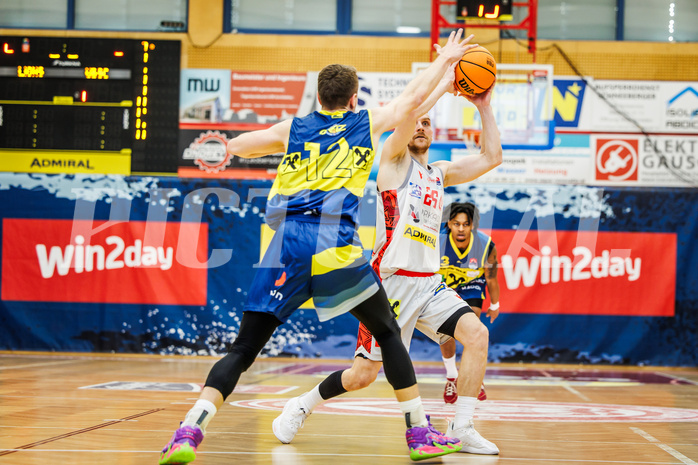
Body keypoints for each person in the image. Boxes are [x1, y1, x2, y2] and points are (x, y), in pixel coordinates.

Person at [158, 29, 476, 465]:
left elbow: (244, 146)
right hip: (336, 247)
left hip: (285, 247)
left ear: (318, 98)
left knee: (243, 350)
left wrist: (224, 146)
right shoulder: (362, 123)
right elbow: (411, 102)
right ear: (352, 99)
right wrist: (446, 60)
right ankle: (418, 434)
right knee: (386, 333)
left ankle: (189, 430)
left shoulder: (293, 128)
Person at [271, 57, 502, 456]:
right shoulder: (393, 163)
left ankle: (462, 427)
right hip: (391, 281)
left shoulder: (439, 173)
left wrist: (483, 104)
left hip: (429, 284)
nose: (421, 126)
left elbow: (491, 157)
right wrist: (442, 81)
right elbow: (409, 110)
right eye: (417, 121)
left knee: (477, 334)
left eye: (428, 123)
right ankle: (301, 405)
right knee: (362, 375)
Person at [438, 202, 501, 404]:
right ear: (449, 224)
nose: (461, 229)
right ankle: (451, 377)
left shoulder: (486, 245)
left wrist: (495, 304)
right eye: (456, 224)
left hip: (472, 285)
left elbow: (491, 278)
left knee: (471, 326)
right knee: (446, 332)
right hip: (443, 288)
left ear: (472, 225)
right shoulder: (436, 243)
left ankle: (474, 378)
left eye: (466, 224)